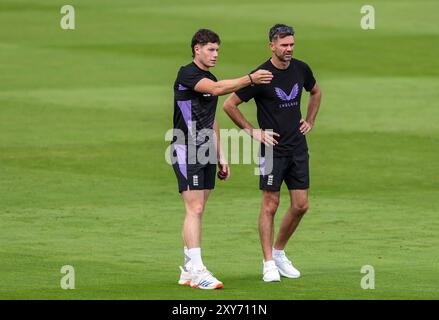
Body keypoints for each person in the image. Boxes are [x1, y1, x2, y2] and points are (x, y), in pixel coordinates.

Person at [171, 28, 273, 289]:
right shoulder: (188, 74)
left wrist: (221, 154)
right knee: (194, 209)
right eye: (210, 49)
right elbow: (217, 89)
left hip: (205, 148)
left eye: (217, 49)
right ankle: (198, 269)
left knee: (199, 209)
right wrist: (250, 78)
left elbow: (211, 118)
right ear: (197, 49)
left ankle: (187, 268)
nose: (215, 54)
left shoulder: (209, 77)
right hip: (187, 147)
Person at [223, 24, 322, 282]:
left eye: (291, 44)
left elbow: (316, 91)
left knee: (301, 205)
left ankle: (279, 252)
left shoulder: (301, 68)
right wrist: (252, 131)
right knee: (270, 204)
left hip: (298, 147)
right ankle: (268, 263)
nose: (289, 49)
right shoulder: (261, 75)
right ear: (272, 45)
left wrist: (310, 119)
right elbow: (229, 104)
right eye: (284, 45)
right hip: (272, 150)